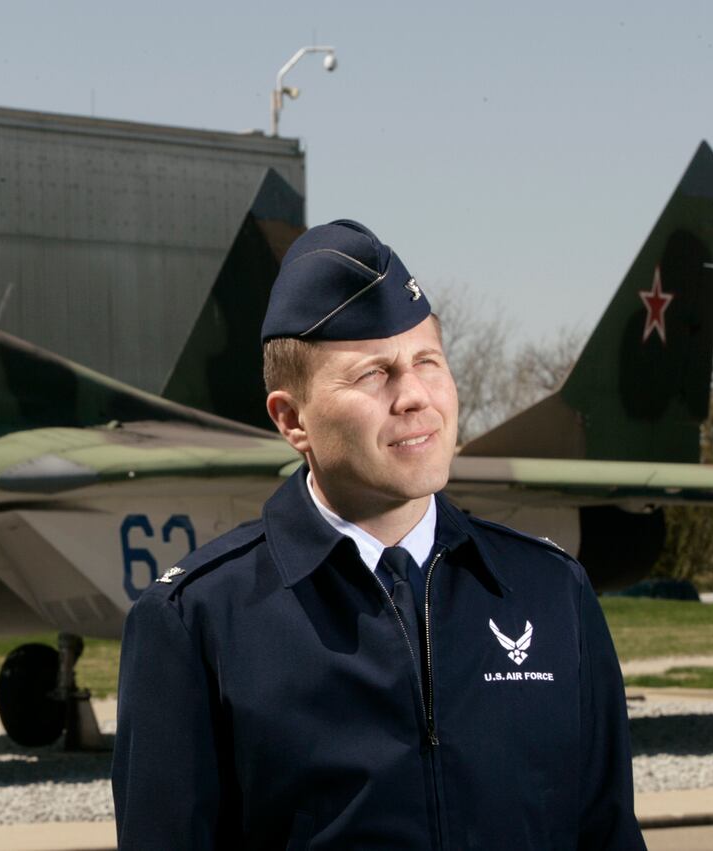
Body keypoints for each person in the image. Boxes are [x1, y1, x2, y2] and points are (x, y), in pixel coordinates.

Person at [111, 220, 643, 849]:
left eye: (427, 362)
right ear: (292, 419)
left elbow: (606, 832)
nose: (415, 396)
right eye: (373, 376)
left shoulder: (551, 592)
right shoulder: (197, 622)